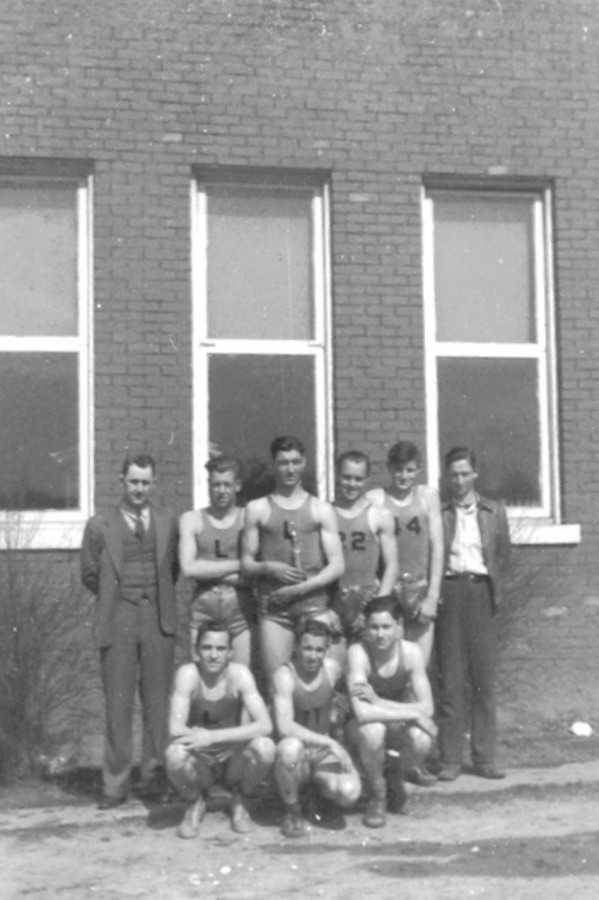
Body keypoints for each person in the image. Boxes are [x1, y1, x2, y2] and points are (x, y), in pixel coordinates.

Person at [80, 454, 180, 809]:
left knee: (157, 701)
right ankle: (115, 783)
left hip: (157, 616)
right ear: (122, 480)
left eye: (145, 482)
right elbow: (91, 574)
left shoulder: (169, 521)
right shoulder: (99, 525)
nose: (139, 488)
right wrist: (117, 597)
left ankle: (154, 777)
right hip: (119, 615)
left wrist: (152, 598)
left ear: (153, 483)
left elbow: (174, 569)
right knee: (118, 702)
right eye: (133, 481)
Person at [241, 435, 344, 683]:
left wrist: (300, 589)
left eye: (295, 462)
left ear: (304, 463)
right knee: (279, 683)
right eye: (283, 462)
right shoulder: (257, 508)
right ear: (274, 464)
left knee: (319, 683)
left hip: (314, 603)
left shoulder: (320, 509)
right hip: (276, 607)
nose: (290, 469)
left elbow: (337, 565)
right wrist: (269, 567)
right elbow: (246, 563)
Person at [436, 447, 511, 782]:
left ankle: (484, 758)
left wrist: (493, 589)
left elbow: (502, 554)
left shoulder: (494, 511)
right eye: (453, 474)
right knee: (451, 680)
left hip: (482, 592)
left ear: (475, 474)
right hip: (449, 593)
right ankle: (450, 758)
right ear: (446, 476)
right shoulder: (439, 513)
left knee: (483, 680)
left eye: (465, 473)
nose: (459, 480)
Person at [166, 620, 276, 838]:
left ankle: (240, 801)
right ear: (197, 651)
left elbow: (265, 725)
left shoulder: (239, 675)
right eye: (207, 648)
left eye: (220, 648)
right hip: (202, 762)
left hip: (233, 760)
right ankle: (195, 802)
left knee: (266, 748)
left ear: (230, 653)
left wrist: (212, 736)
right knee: (174, 755)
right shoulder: (188, 674)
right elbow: (175, 728)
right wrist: (204, 741)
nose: (213, 655)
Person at [346, 596, 437, 828]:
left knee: (422, 740)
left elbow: (427, 707)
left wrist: (378, 701)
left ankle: (394, 773)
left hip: (391, 721)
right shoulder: (358, 653)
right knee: (373, 731)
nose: (380, 634)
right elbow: (362, 713)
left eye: (386, 627)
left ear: (398, 627)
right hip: (358, 728)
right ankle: (378, 793)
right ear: (366, 628)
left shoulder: (411, 653)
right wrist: (412, 713)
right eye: (374, 627)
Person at [272, 619, 361, 838]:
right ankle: (293, 810)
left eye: (319, 649)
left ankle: (319, 795)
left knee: (349, 793)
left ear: (327, 650)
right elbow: (285, 727)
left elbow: (352, 693)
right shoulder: (284, 676)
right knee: (289, 747)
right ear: (296, 647)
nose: (313, 656)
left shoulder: (331, 670)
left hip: (322, 754)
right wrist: (331, 742)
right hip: (298, 754)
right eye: (308, 648)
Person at [367, 441, 443, 665]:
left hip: (419, 588)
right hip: (390, 589)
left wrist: (433, 595)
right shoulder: (376, 498)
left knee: (419, 664)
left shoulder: (427, 497)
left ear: (418, 470)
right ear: (389, 468)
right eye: (398, 470)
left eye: (410, 470)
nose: (404, 476)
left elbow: (437, 547)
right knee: (391, 664)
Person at [179, 455, 253, 666]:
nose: (221, 491)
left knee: (240, 676)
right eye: (216, 484)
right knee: (201, 677)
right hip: (204, 606)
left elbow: (253, 576)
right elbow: (189, 568)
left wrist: (207, 568)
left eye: (227, 485)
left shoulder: (248, 518)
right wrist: (240, 564)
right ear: (208, 485)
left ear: (237, 486)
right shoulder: (192, 519)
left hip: (240, 606)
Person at [333, 450, 398, 649]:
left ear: (366, 479)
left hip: (367, 603)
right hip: (335, 604)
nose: (352, 484)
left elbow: (392, 566)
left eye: (358, 479)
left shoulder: (379, 515)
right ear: (337, 474)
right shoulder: (325, 512)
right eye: (347, 477)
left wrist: (377, 607)